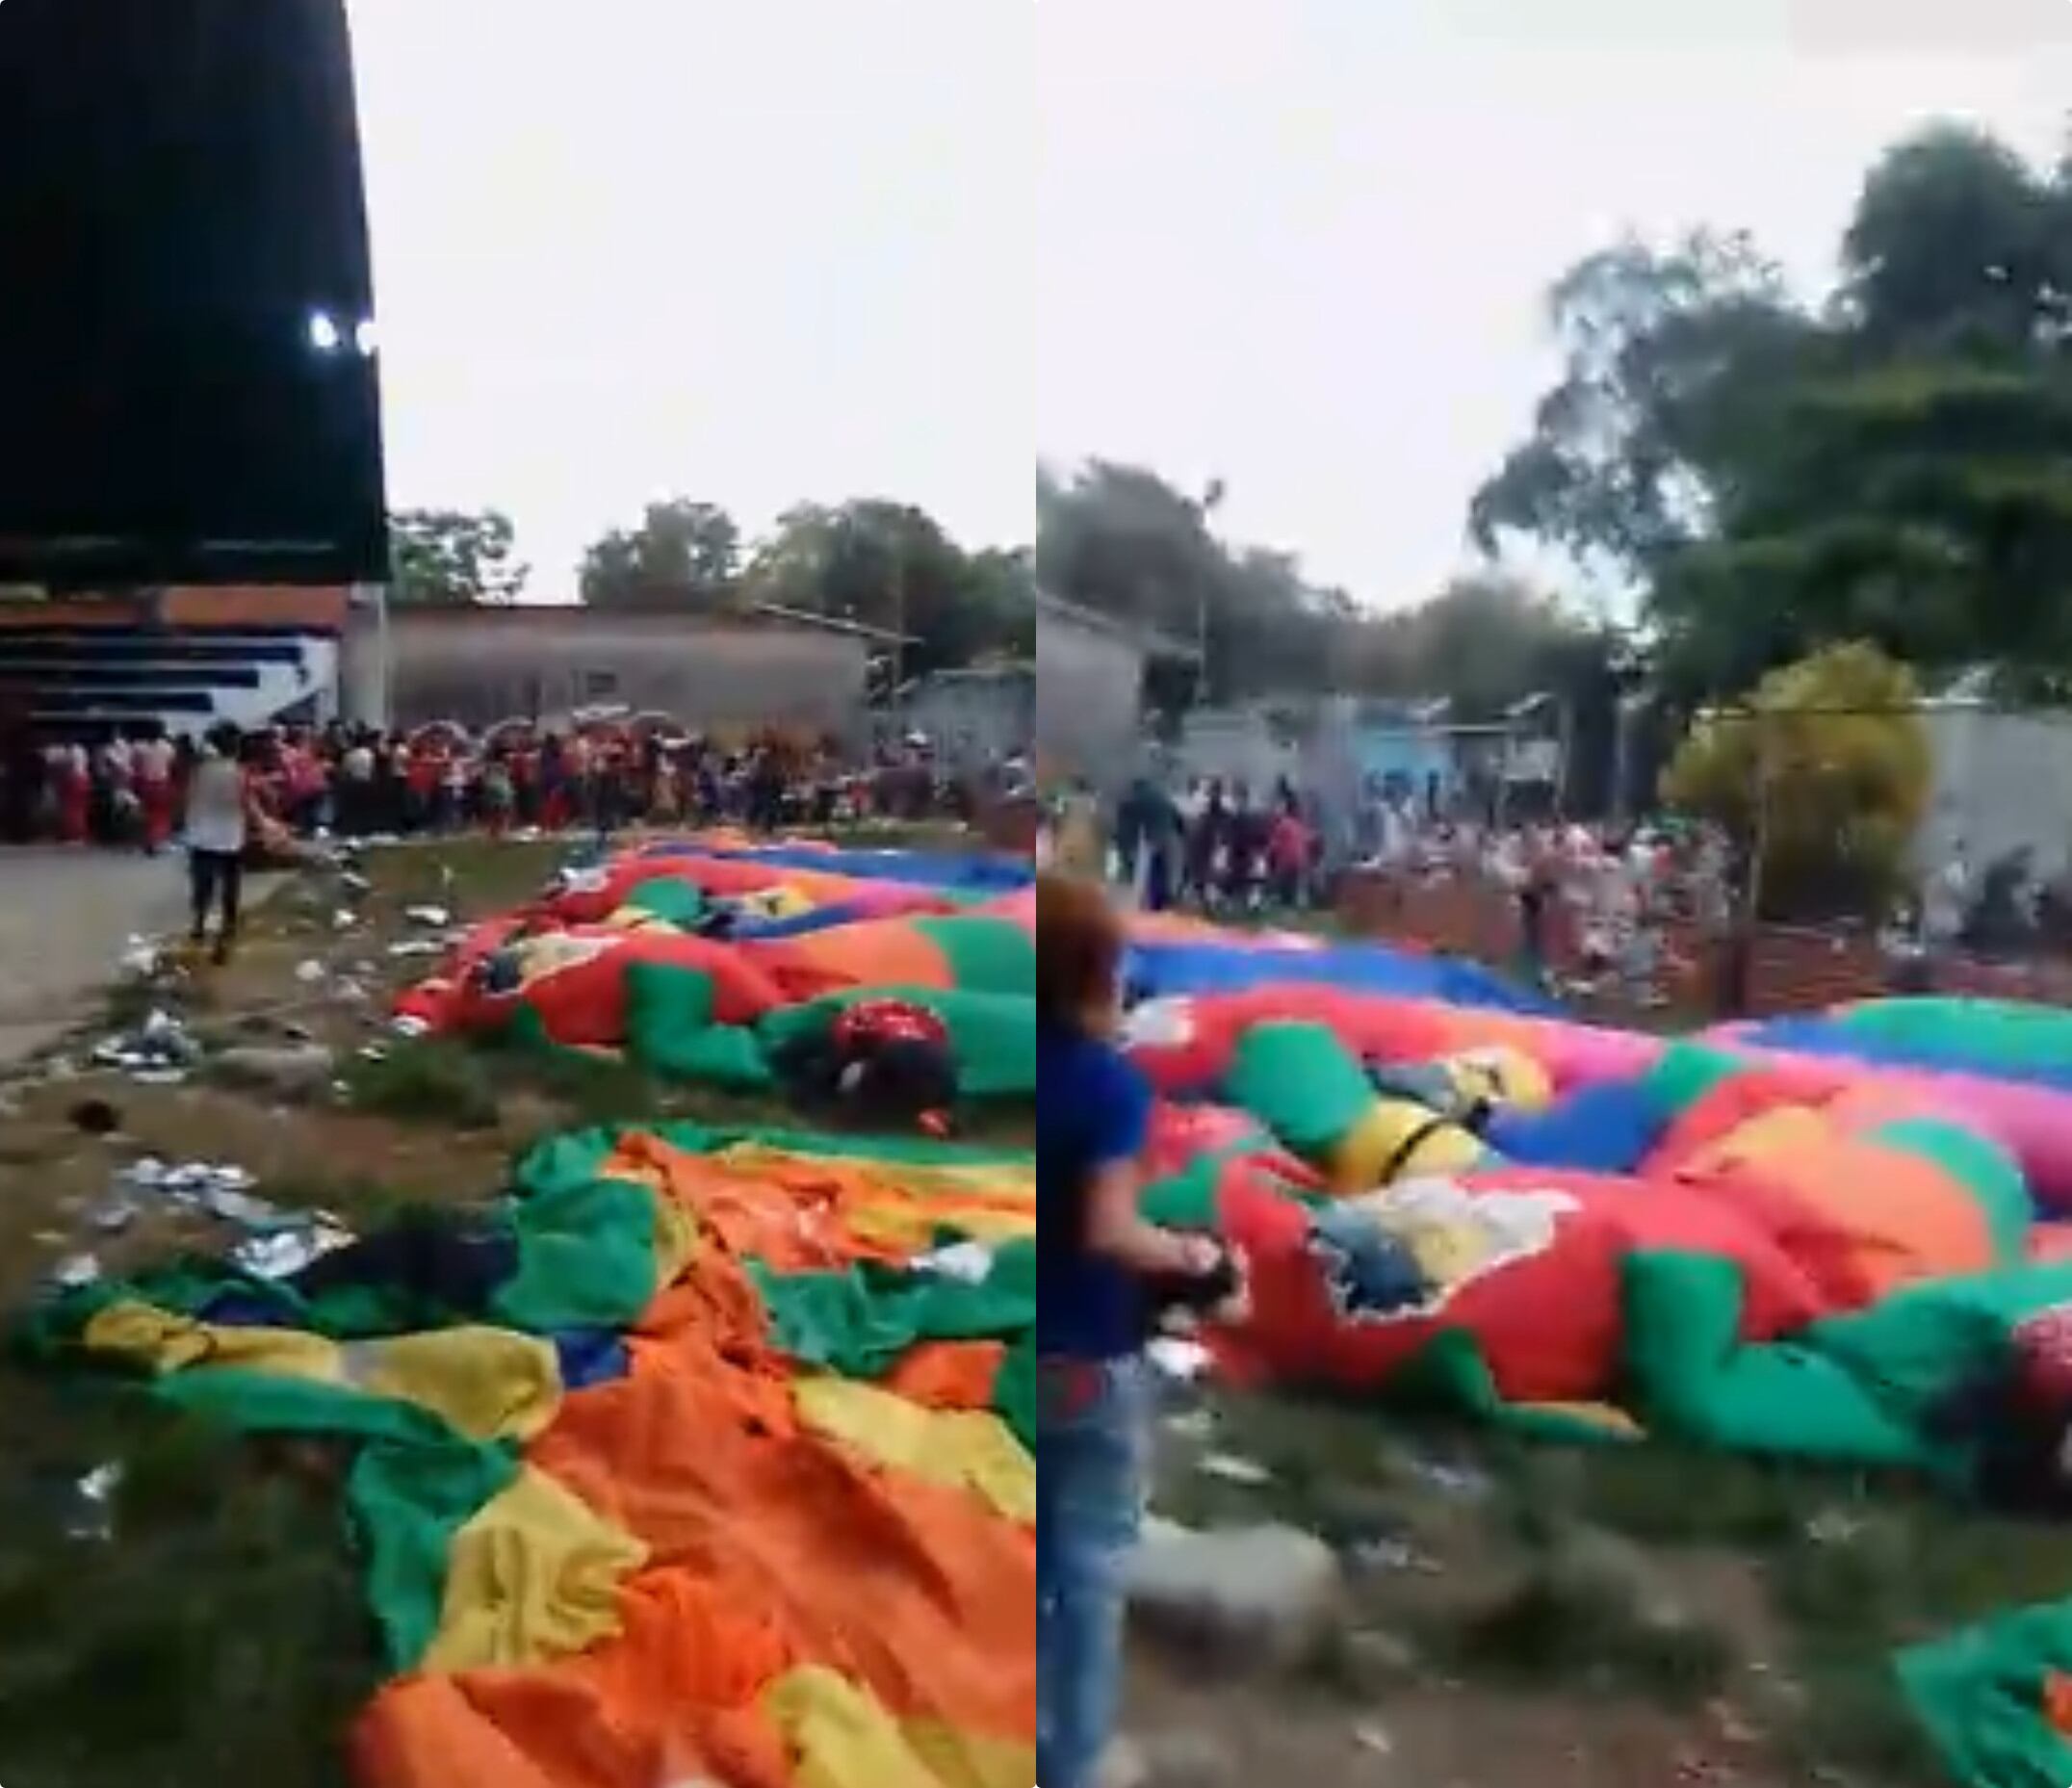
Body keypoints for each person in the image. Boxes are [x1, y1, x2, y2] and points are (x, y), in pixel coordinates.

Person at [1037, 871, 1241, 1788]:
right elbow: (1110, 1229)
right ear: (1095, 975)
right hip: (1088, 1353)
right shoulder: (1106, 1086)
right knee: (1088, 1567)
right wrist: (1196, 1258)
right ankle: (1071, 1759)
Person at [183, 723, 250, 964]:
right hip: (230, 835)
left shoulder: (200, 769)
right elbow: (246, 802)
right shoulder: (238, 771)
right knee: (230, 885)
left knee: (203, 884)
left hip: (201, 835)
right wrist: (264, 824)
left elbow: (188, 797)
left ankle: (199, 924)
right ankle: (227, 928)